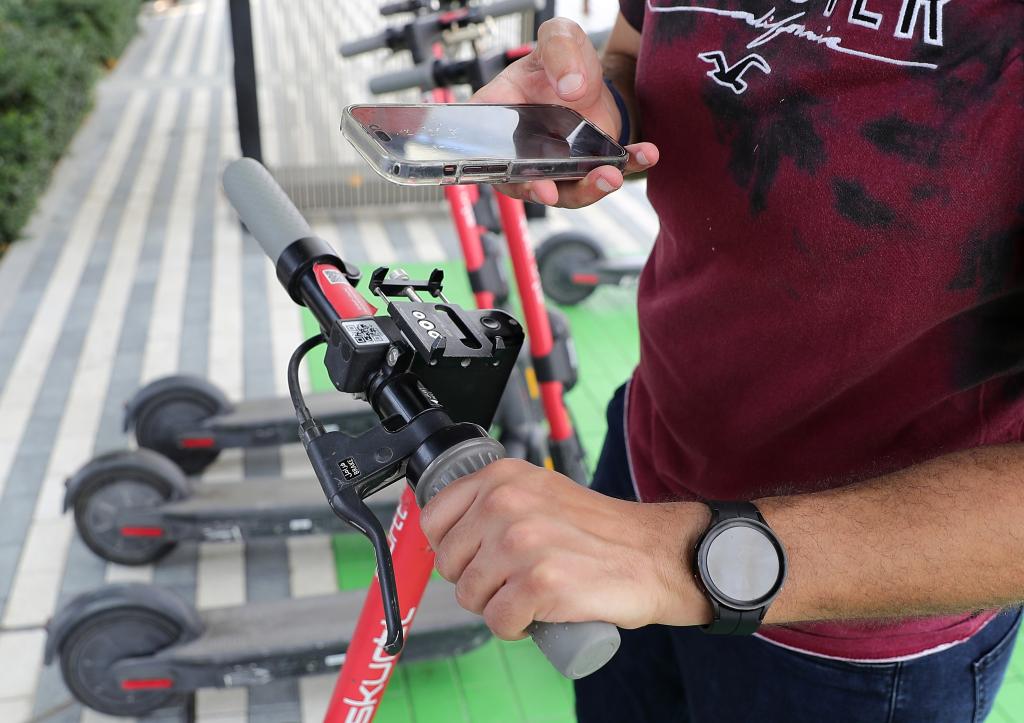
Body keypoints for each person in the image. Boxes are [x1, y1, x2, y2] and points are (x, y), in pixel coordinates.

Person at [418, 2, 1024, 720]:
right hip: (645, 467)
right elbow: (632, 57)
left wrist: (668, 557)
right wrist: (594, 116)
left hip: (849, 628)